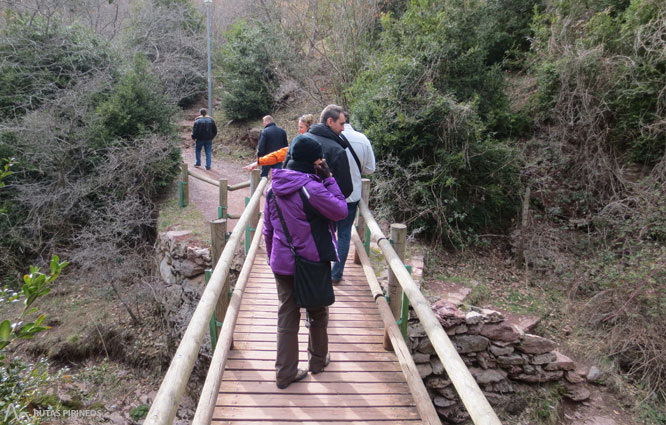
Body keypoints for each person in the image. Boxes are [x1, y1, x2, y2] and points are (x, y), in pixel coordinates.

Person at [263, 134, 348, 389]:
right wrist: (330, 178)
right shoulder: (312, 188)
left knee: (287, 315)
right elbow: (341, 210)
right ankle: (318, 362)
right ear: (315, 161)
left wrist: (272, 258)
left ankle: (285, 373)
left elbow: (268, 230)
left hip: (282, 262)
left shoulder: (272, 188)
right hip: (311, 261)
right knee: (317, 311)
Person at [332, 117, 376, 284]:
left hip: (330, 194)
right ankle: (336, 273)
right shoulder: (362, 139)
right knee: (344, 234)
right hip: (351, 196)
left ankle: (321, 271)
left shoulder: (329, 138)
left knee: (328, 232)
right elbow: (370, 169)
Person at [285, 105, 353, 198]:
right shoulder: (337, 151)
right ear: (330, 121)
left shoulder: (298, 141)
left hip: (291, 204)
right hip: (322, 207)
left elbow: (285, 169)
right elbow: (345, 189)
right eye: (341, 124)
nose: (343, 129)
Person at [243, 114, 315, 172]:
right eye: (298, 127)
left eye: (301, 127)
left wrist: (259, 158)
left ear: (308, 127)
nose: (299, 130)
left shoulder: (265, 131)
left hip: (301, 177)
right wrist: (258, 162)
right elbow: (285, 150)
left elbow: (263, 147)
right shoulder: (282, 131)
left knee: (266, 179)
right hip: (278, 160)